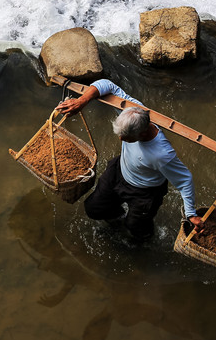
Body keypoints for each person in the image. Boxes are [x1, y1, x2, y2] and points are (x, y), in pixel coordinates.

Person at [55, 78, 204, 242]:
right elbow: (107, 85)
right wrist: (82, 101)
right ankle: (119, 217)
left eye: (125, 138)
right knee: (93, 208)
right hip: (119, 171)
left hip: (145, 191)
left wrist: (191, 214)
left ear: (141, 134)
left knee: (136, 228)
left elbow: (184, 179)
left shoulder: (162, 154)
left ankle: (143, 241)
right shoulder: (133, 111)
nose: (120, 139)